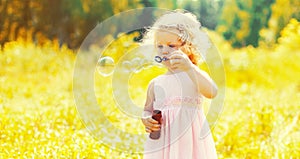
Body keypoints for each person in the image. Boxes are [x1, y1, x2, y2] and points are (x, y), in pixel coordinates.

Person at [141, 9, 218, 159]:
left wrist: (190, 67)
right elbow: (147, 109)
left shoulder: (193, 75)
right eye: (160, 46)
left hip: (190, 142)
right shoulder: (155, 83)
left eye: (171, 45)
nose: (164, 51)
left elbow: (212, 92)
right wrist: (146, 119)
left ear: (190, 47)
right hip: (162, 144)